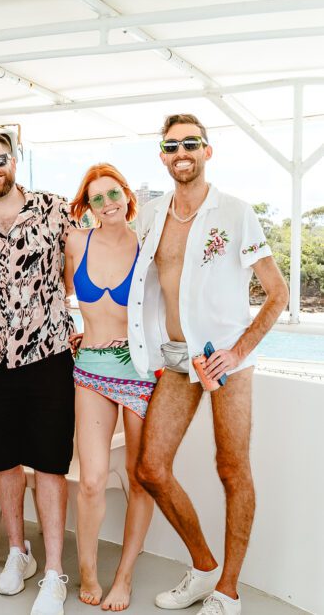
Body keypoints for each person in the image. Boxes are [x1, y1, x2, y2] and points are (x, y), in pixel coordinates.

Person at [130, 114, 289, 615]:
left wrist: (237, 352)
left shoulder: (236, 212)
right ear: (162, 155)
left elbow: (278, 294)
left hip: (226, 363)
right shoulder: (150, 216)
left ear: (207, 151)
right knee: (151, 468)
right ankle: (203, 568)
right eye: (172, 144)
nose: (182, 152)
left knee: (232, 468)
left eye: (191, 143)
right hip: (177, 359)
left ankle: (229, 590)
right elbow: (132, 284)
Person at [0, 132, 76, 615]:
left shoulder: (54, 208)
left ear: (14, 160)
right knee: (4, 460)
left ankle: (55, 572)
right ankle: (18, 552)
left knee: (49, 463)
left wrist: (84, 323)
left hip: (49, 354)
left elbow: (77, 271)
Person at [64, 163, 157, 612]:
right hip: (91, 370)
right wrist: (69, 331)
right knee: (92, 481)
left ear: (127, 194)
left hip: (140, 373)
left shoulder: (149, 245)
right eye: (96, 197)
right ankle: (86, 571)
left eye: (113, 192)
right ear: (87, 205)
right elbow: (51, 295)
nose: (108, 203)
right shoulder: (76, 241)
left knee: (140, 481)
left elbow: (169, 303)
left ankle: (124, 577)